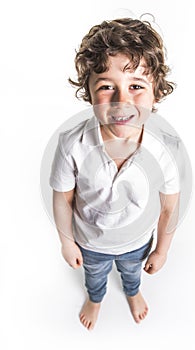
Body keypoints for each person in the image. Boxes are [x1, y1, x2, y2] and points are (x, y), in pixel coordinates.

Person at [49, 17, 181, 330]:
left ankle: (132, 292)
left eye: (136, 86)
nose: (122, 101)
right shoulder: (72, 144)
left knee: (132, 273)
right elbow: (63, 198)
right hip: (90, 242)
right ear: (89, 94)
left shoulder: (165, 149)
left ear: (156, 93)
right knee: (93, 275)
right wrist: (67, 242)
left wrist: (162, 250)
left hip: (137, 241)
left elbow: (169, 208)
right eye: (107, 87)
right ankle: (95, 298)